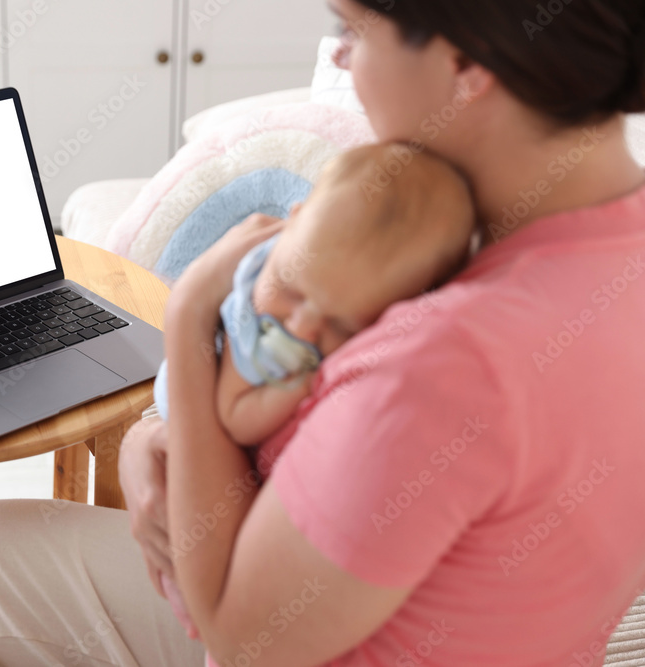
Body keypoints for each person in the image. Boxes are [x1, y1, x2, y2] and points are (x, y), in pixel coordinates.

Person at [0, 0, 645, 664]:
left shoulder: (444, 360)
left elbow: (241, 638)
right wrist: (156, 435)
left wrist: (189, 318)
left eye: (353, 30)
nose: (340, 57)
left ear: (467, 64)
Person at [149, 143, 476, 637]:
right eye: (291, 289)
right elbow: (236, 417)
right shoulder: (252, 313)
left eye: (341, 325)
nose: (301, 328)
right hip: (198, 411)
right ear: (293, 219)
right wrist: (295, 385)